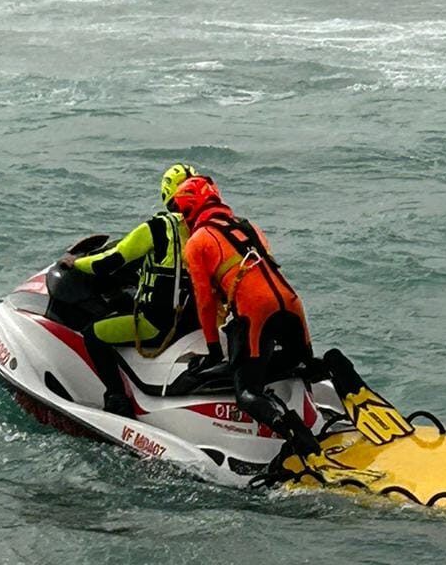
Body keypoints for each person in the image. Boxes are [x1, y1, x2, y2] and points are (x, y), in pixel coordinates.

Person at [168, 175, 331, 469]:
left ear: (190, 210)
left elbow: (205, 302)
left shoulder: (198, 241)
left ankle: (299, 438)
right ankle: (337, 368)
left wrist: (213, 349)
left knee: (246, 392)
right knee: (302, 363)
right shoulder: (247, 227)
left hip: (257, 312)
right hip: (291, 304)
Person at [57, 164, 200, 418]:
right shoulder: (205, 229)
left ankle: (116, 398)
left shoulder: (156, 229)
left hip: (158, 326)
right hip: (192, 322)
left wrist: (76, 263)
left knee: (94, 334)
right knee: (124, 302)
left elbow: (109, 262)